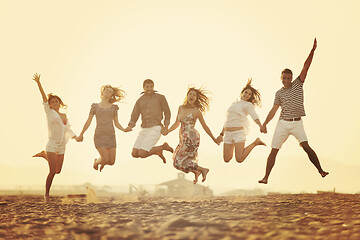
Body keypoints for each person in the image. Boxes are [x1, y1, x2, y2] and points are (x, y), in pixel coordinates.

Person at [258, 38, 329, 184]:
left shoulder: (298, 84)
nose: (286, 80)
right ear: (281, 78)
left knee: (306, 146)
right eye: (284, 78)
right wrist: (264, 124)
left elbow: (306, 67)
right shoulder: (278, 93)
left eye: (288, 78)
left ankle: (321, 170)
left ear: (292, 78)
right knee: (274, 151)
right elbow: (273, 110)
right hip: (283, 123)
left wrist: (313, 50)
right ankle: (265, 177)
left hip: (297, 123)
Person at [32, 73, 79, 203]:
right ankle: (47, 195)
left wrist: (76, 137)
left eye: (56, 101)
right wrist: (38, 83)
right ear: (50, 105)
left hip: (62, 145)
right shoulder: (49, 112)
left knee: (58, 171)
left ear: (60, 103)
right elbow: (43, 97)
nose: (54, 103)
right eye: (52, 102)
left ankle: (44, 155)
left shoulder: (64, 115)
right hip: (52, 144)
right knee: (52, 171)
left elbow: (67, 129)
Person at [165, 87, 219, 184]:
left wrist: (214, 138)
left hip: (191, 138)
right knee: (182, 162)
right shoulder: (181, 108)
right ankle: (197, 171)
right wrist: (168, 131)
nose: (192, 96)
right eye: (190, 94)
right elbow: (176, 124)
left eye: (194, 95)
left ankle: (202, 170)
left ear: (196, 98)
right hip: (182, 137)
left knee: (178, 162)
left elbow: (205, 126)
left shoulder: (196, 111)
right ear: (187, 96)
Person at [77, 84, 130, 172]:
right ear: (103, 92)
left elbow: (116, 123)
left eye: (110, 92)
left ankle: (103, 162)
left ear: (111, 95)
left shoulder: (114, 108)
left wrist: (124, 129)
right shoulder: (95, 106)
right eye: (106, 90)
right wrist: (81, 134)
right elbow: (88, 121)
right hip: (99, 136)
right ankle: (97, 162)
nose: (107, 92)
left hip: (111, 136)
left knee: (111, 162)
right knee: (105, 159)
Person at [216, 79, 266, 163]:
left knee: (239, 159)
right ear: (242, 92)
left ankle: (255, 142)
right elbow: (227, 120)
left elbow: (254, 116)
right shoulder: (234, 103)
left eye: (249, 94)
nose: (247, 95)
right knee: (226, 159)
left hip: (238, 133)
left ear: (250, 97)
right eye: (246, 92)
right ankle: (235, 147)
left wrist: (260, 125)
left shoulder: (248, 105)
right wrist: (221, 134)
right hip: (228, 134)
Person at [124, 79, 173, 163]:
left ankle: (163, 147)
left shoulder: (160, 97)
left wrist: (166, 126)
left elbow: (167, 111)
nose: (149, 89)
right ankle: (157, 151)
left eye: (151, 87)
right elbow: (135, 114)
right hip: (144, 129)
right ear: (143, 87)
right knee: (134, 153)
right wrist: (130, 126)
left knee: (142, 154)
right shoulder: (140, 100)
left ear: (153, 87)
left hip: (156, 128)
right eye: (147, 87)